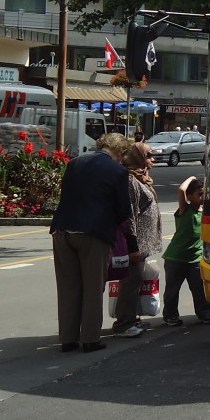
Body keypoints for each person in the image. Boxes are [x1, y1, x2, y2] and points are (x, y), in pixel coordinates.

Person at [50, 127, 136, 353]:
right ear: (119, 151)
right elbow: (123, 210)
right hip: (94, 232)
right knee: (93, 287)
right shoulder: (117, 172)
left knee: (68, 287)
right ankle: (90, 338)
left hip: (62, 230)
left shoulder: (75, 163)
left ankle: (67, 339)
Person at [111, 142, 162, 338]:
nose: (152, 159)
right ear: (137, 157)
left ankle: (133, 318)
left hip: (143, 242)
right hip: (136, 242)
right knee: (131, 281)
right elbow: (130, 214)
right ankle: (123, 323)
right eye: (148, 155)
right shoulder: (130, 180)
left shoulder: (141, 178)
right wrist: (132, 246)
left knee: (137, 280)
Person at [162, 176, 210, 326]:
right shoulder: (185, 209)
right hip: (176, 258)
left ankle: (204, 314)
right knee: (172, 290)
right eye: (199, 194)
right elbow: (181, 189)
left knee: (199, 289)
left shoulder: (206, 211)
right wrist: (191, 178)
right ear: (189, 196)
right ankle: (170, 316)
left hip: (195, 259)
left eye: (203, 193)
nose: (202, 197)